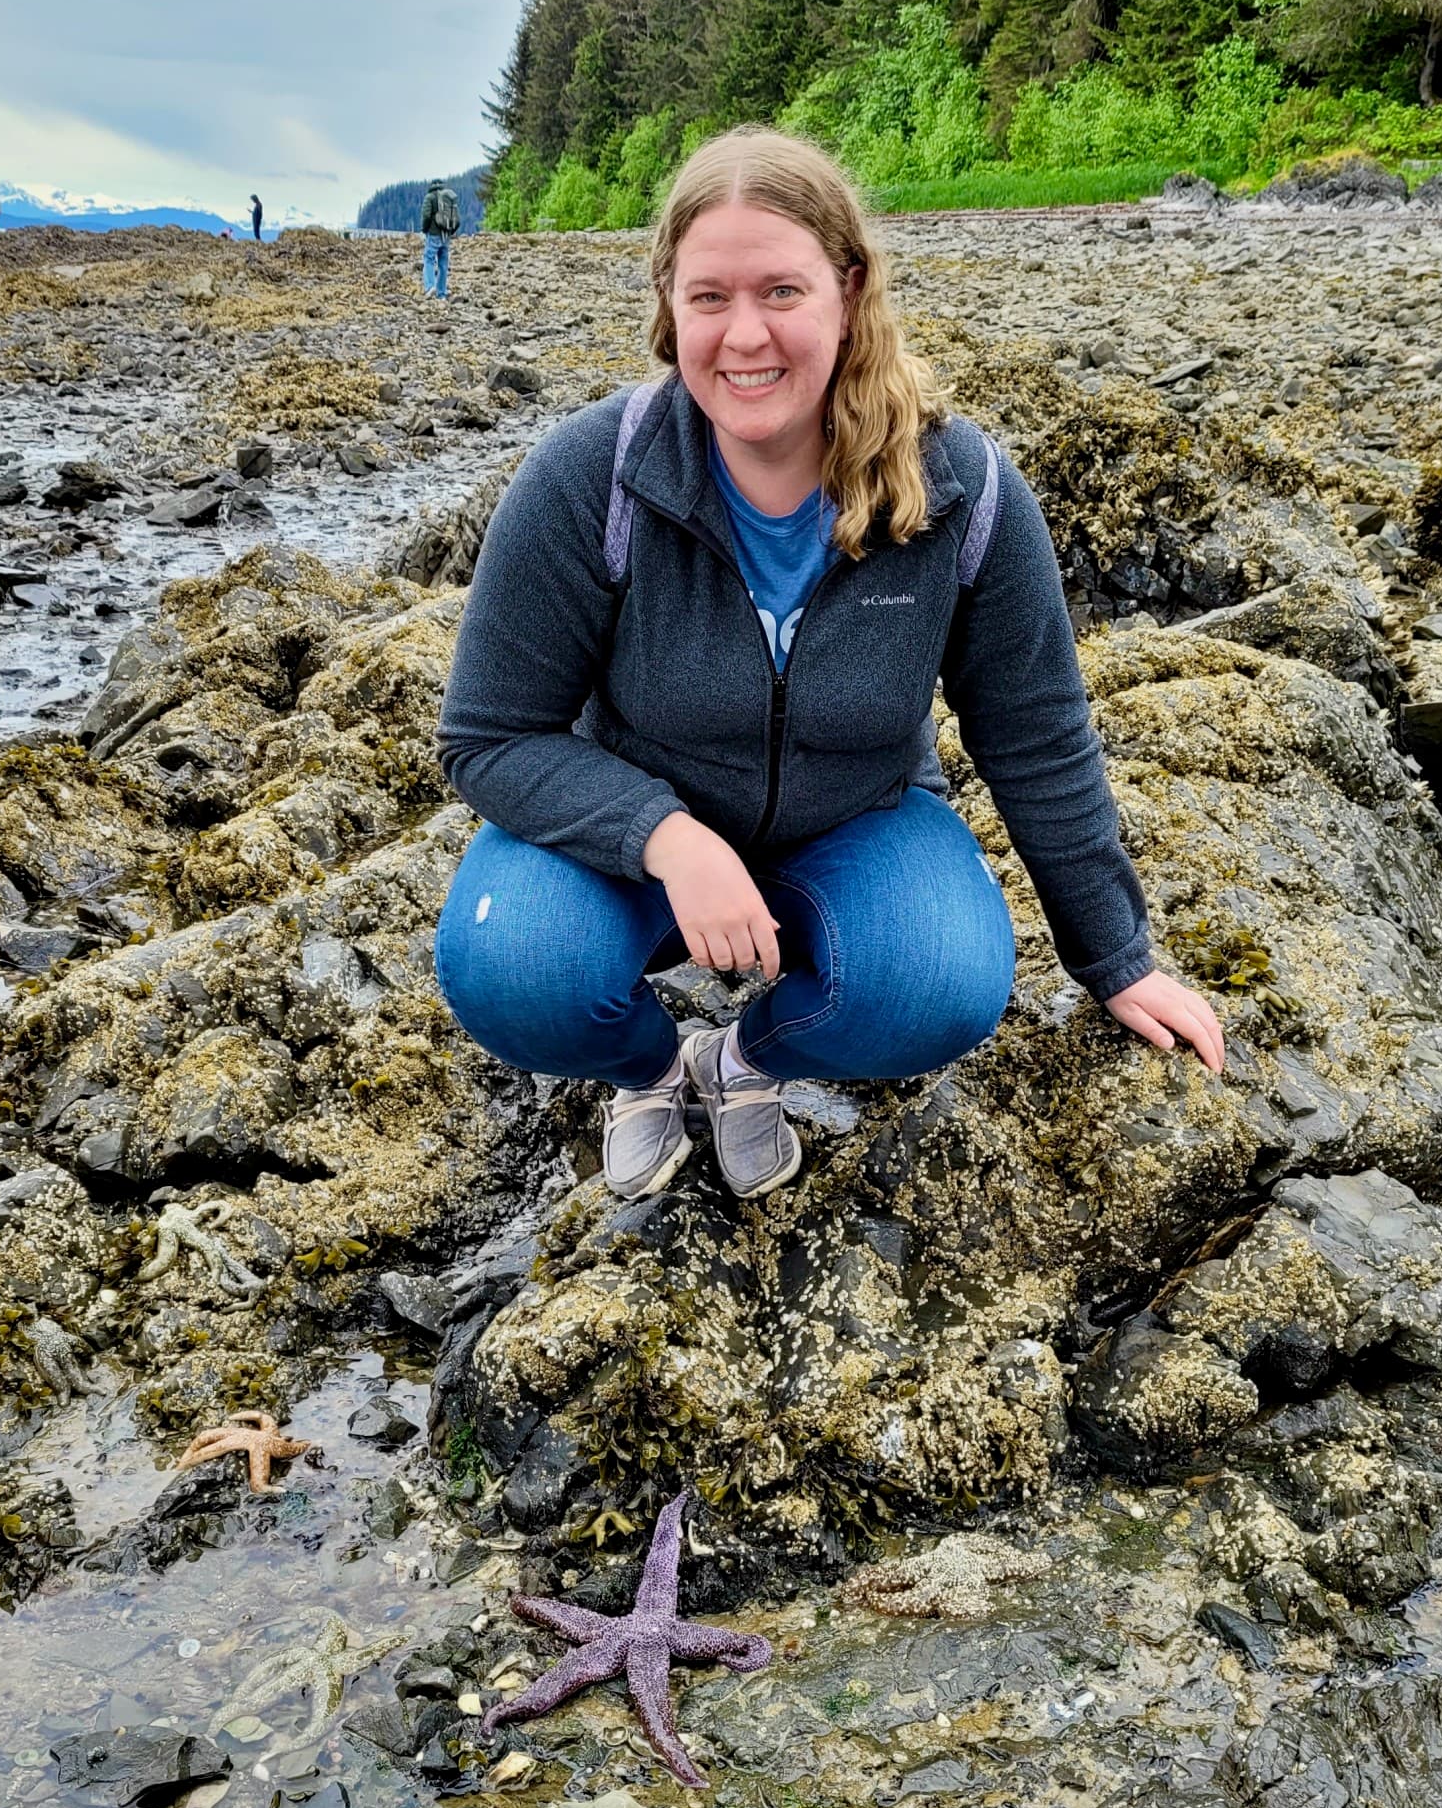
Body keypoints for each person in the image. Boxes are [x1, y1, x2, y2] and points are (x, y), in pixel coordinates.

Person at [434, 126, 1221, 1204]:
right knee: (511, 970)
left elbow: (1034, 734)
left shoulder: (960, 493)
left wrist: (1117, 958)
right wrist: (661, 836)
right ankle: (653, 1070)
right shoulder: (592, 478)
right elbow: (487, 735)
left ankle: (746, 1061)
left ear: (848, 293)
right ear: (668, 305)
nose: (742, 334)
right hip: (632, 828)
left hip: (855, 817)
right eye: (707, 297)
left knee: (942, 983)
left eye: (781, 292)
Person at [420, 176, 459, 299]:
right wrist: (450, 231)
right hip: (446, 235)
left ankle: (430, 287)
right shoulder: (449, 197)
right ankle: (441, 293)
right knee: (443, 263)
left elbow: (426, 216)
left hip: (433, 234)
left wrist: (425, 230)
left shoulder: (429, 197)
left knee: (429, 259)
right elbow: (457, 219)